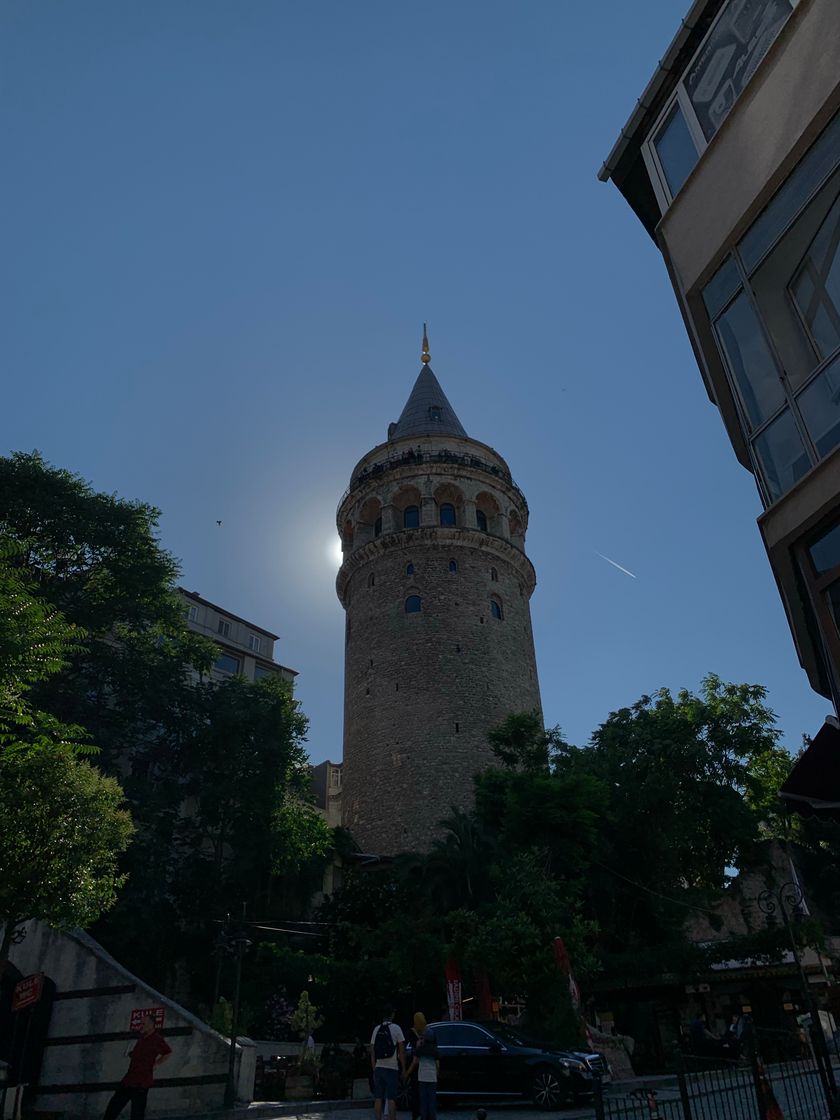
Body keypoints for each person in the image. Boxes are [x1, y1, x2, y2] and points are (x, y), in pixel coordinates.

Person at [104, 1014, 171, 1119]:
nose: (141, 1025)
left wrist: (157, 1063)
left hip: (142, 1082)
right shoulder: (142, 1038)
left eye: (144, 1023)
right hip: (130, 1078)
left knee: (137, 1113)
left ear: (151, 1024)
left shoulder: (156, 1039)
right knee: (113, 1107)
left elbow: (167, 1052)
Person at [370, 1003, 406, 1120]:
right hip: (392, 1068)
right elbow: (401, 1051)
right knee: (391, 1098)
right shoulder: (396, 1028)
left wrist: (374, 1067)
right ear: (392, 1015)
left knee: (378, 1097)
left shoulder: (376, 1029)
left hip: (379, 1067)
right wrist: (404, 1068)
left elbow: (372, 1050)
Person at [403, 1016, 438, 1120]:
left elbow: (414, 1061)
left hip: (420, 1075)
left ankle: (420, 1115)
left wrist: (407, 1073)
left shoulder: (418, 1048)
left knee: (421, 1097)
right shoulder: (434, 1049)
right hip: (432, 1077)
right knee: (431, 1099)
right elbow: (437, 1062)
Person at [405, 1012, 426, 1120]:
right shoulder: (426, 1033)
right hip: (424, 1067)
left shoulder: (411, 1033)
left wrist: (407, 1072)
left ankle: (416, 1114)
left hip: (415, 1068)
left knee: (415, 1092)